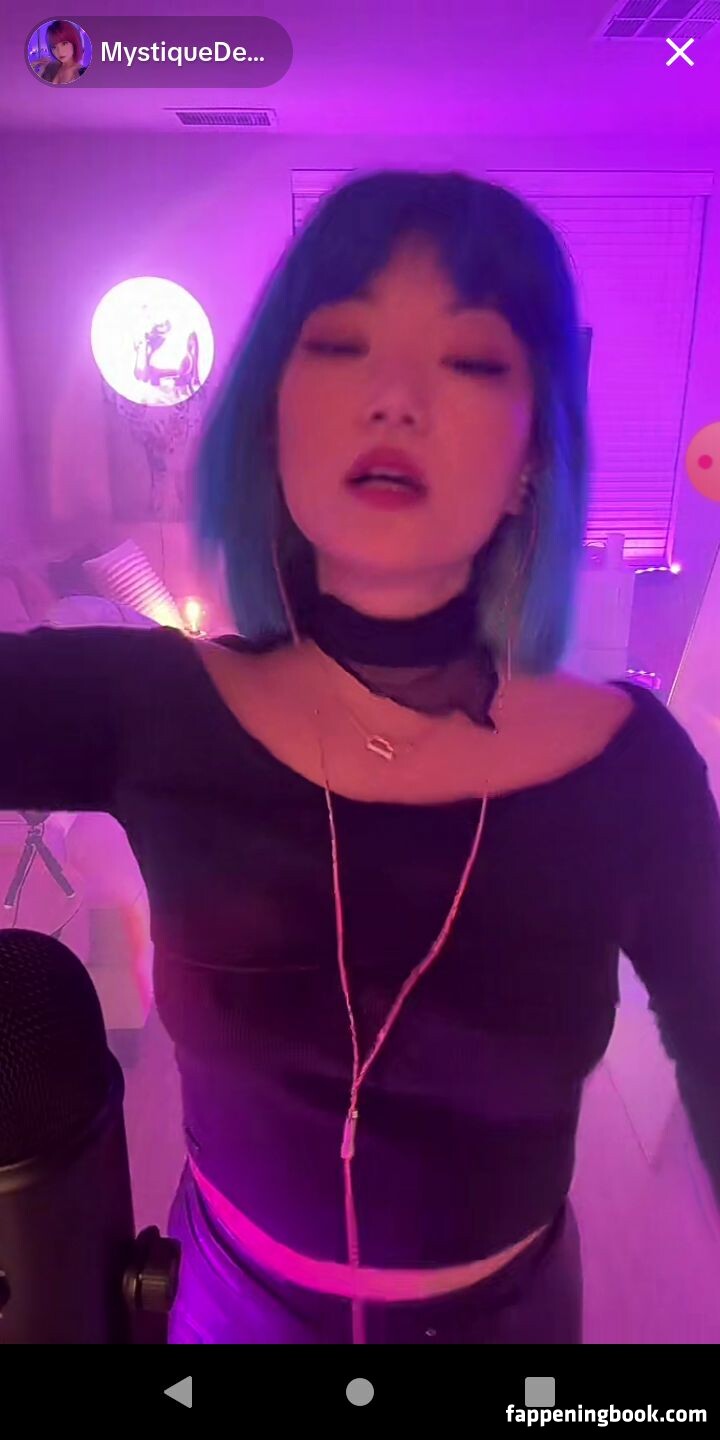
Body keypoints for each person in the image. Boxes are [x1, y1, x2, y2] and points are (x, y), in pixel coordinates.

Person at [2, 170, 719, 1346]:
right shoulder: (147, 706)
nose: (394, 397)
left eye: (471, 361)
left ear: (535, 450)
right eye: (339, 345)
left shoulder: (633, 770)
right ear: (274, 416)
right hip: (226, 1310)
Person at [33, 20, 87, 85]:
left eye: (64, 43)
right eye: (54, 47)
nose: (59, 51)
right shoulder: (51, 67)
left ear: (74, 42)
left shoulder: (82, 73)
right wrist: (41, 70)